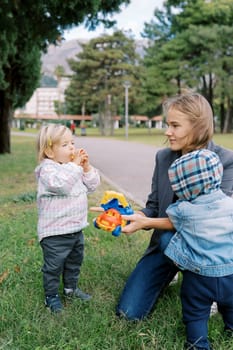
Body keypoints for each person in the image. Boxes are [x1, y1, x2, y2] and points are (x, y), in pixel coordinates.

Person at [116, 92, 233, 322]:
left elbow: (209, 218)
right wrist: (132, 215)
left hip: (210, 252)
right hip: (165, 247)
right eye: (167, 124)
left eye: (175, 125)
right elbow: (154, 206)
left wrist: (147, 222)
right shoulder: (163, 158)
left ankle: (204, 286)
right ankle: (174, 270)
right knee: (128, 314)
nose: (167, 132)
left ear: (198, 126)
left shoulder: (226, 161)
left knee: (171, 239)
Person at [163, 149, 233, 349]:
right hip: (230, 273)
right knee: (231, 306)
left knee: (195, 313)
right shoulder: (230, 205)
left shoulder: (182, 210)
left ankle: (197, 344)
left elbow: (171, 214)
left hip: (198, 276)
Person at [35, 123, 100, 313]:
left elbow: (93, 185)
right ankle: (51, 296)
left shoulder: (73, 169)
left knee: (74, 263)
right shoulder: (48, 170)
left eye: (72, 142)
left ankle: (71, 289)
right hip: (55, 233)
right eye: (65, 145)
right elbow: (61, 185)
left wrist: (86, 168)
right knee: (53, 267)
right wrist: (75, 166)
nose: (72, 147)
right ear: (49, 151)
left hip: (75, 229)